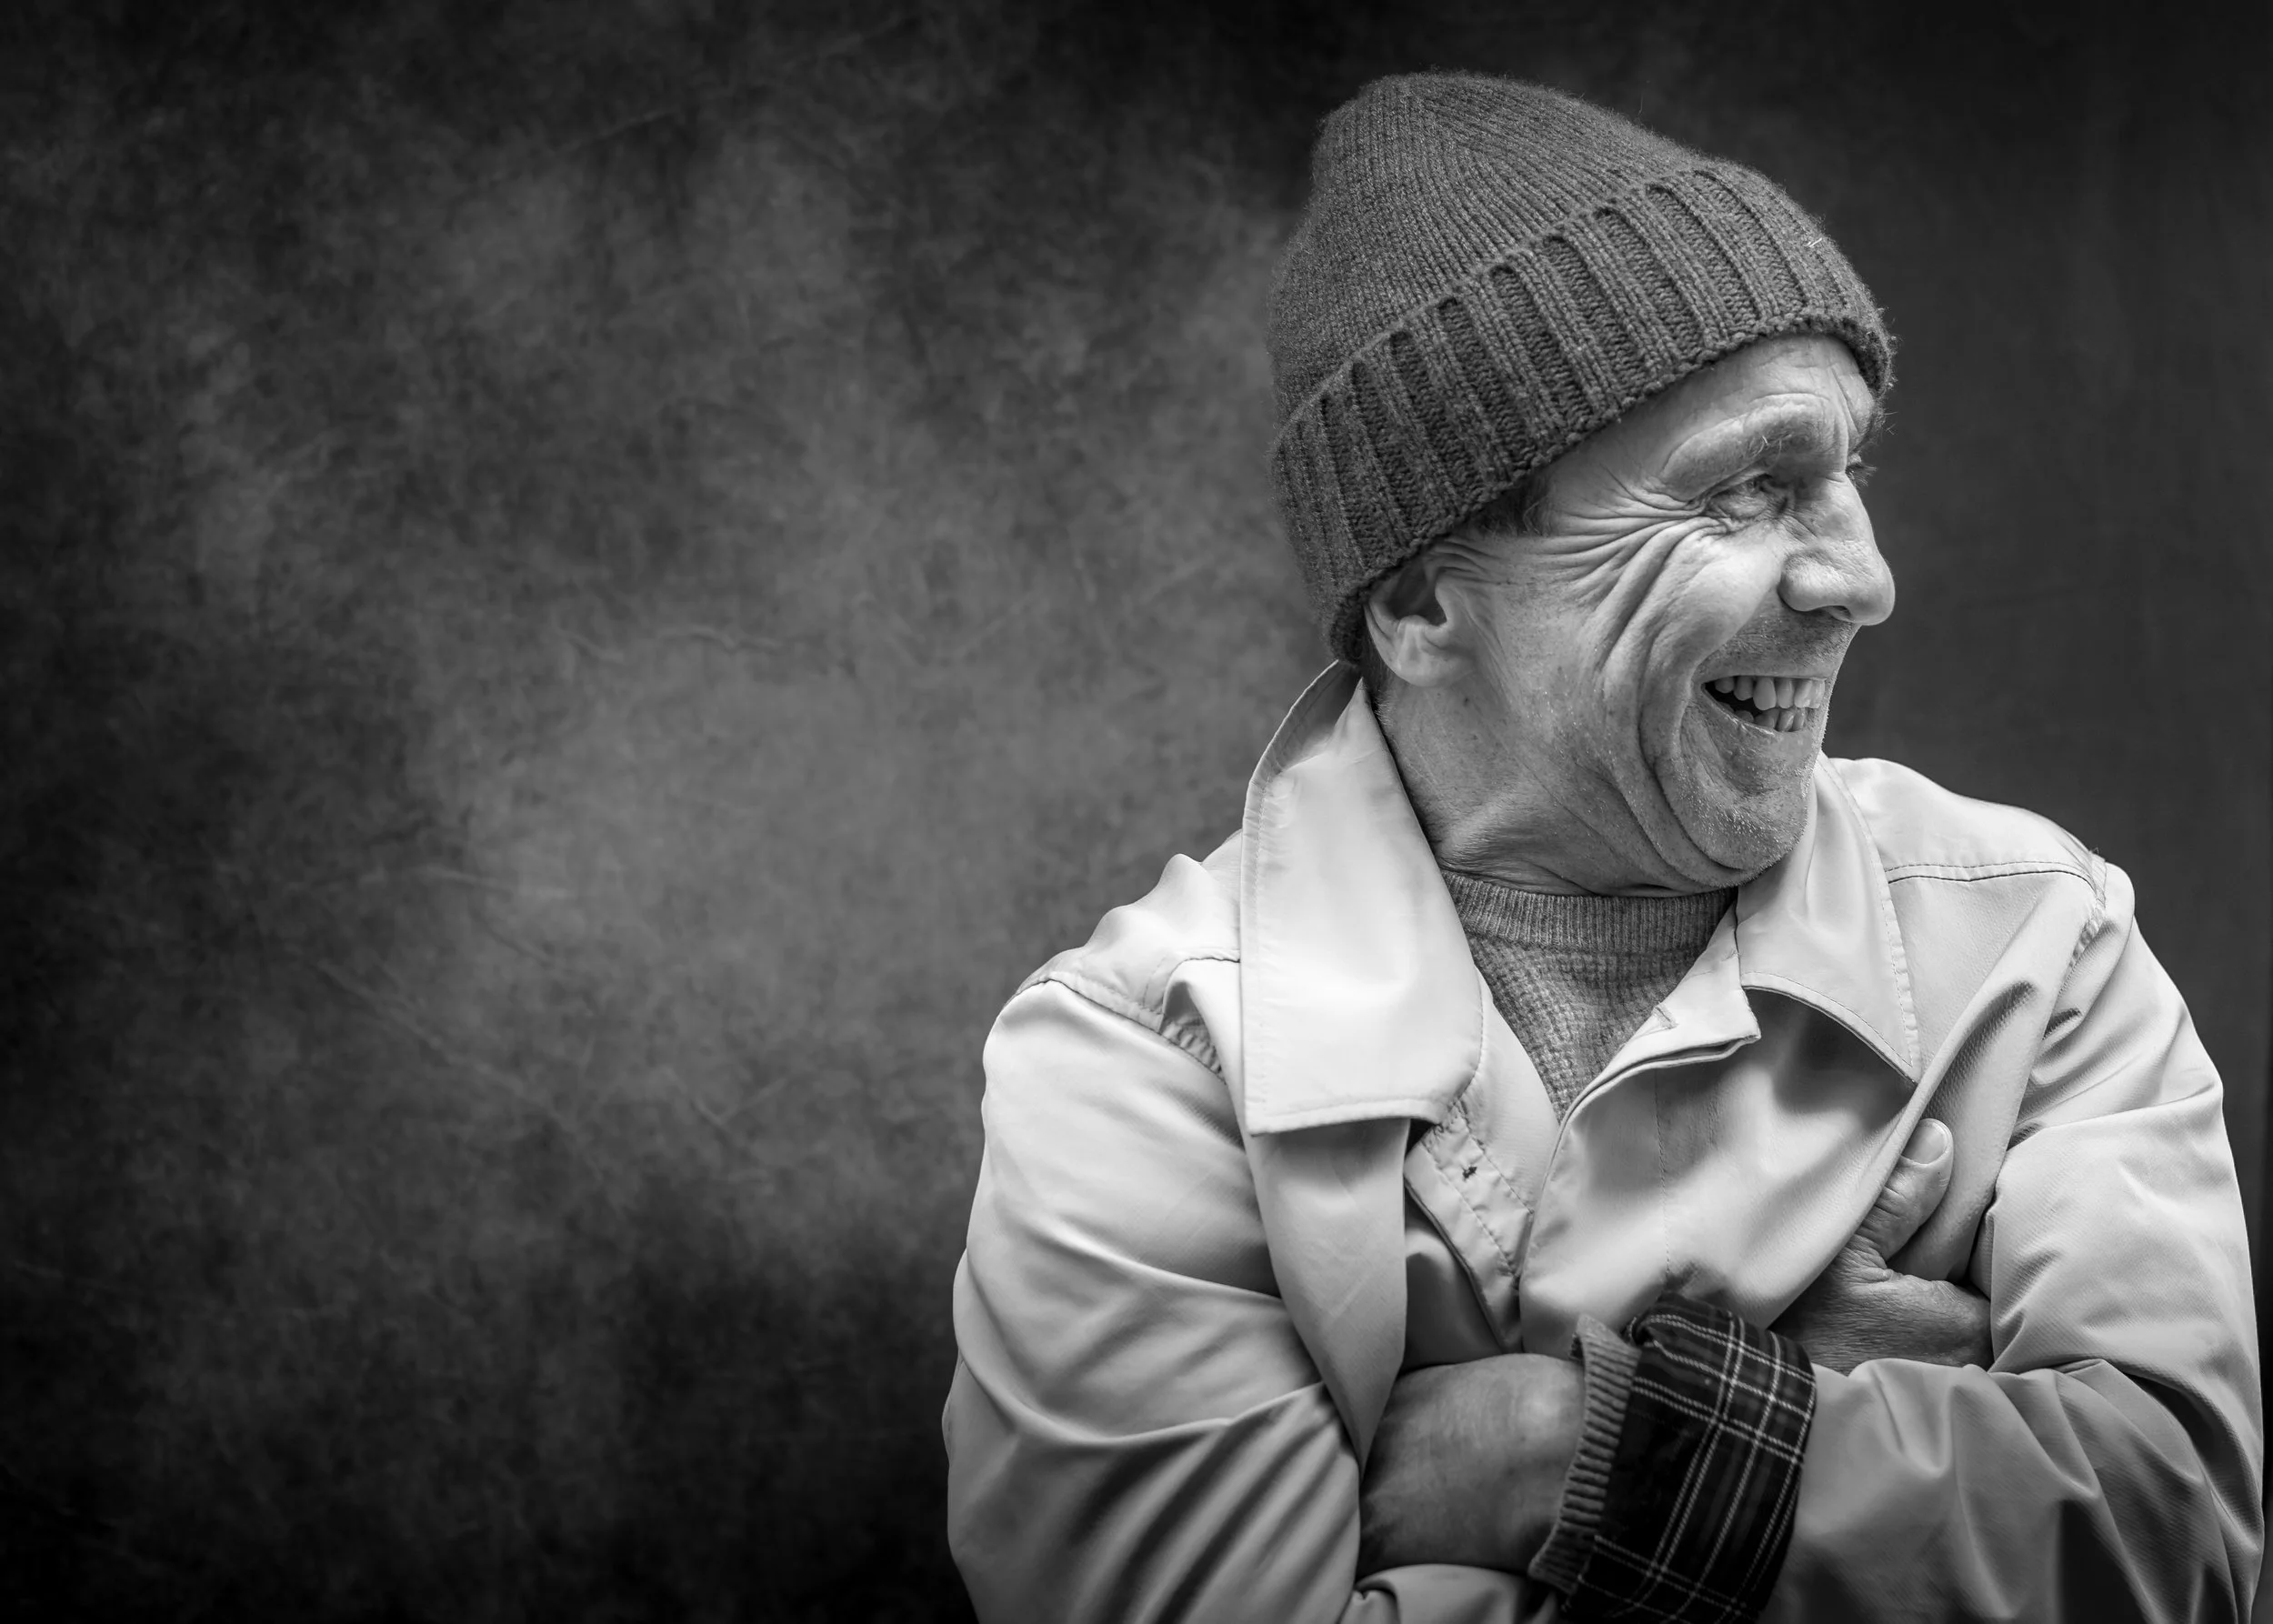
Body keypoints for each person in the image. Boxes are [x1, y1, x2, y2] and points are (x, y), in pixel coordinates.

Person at [942, 74, 2263, 1622]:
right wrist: (1832, 1459)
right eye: (1751, 488)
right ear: (1426, 602)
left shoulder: (2042, 948)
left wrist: (1572, 1444)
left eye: (1852, 472)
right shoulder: (1144, 1060)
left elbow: (2166, 1548)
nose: (1864, 576)